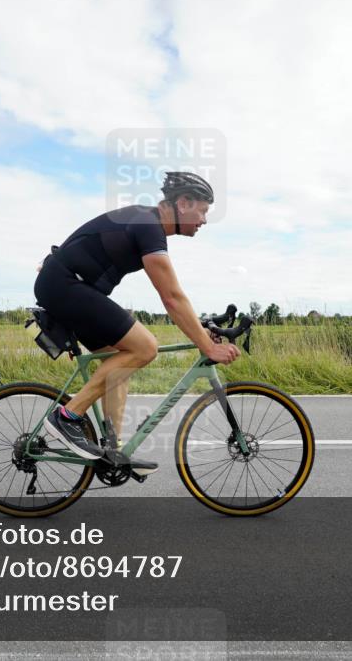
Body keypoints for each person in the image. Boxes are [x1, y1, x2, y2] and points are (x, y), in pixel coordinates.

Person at [34, 171, 240, 472]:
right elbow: (171, 296)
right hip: (65, 285)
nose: (205, 220)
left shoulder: (146, 223)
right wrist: (207, 346)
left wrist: (203, 327)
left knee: (123, 361)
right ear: (183, 203)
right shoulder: (148, 224)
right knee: (145, 347)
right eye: (203, 210)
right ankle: (67, 417)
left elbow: (175, 296)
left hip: (68, 285)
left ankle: (111, 451)